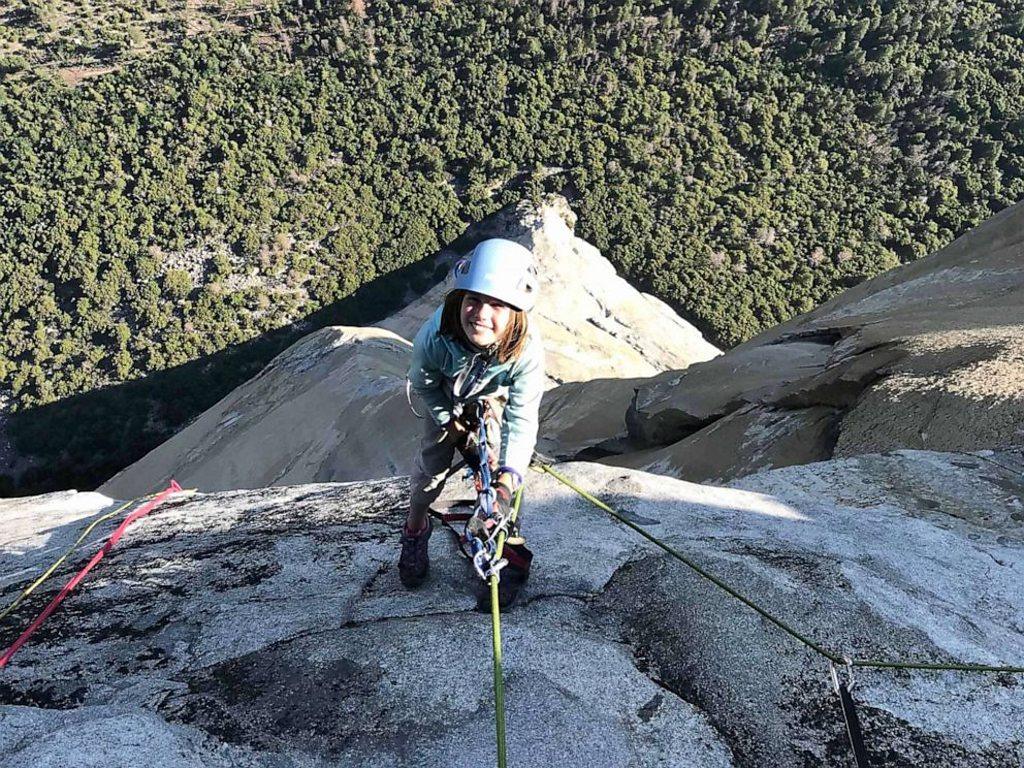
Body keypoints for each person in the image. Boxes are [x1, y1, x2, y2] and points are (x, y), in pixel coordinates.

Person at [400, 238, 545, 609]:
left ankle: (499, 544)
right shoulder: (435, 336)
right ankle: (416, 527)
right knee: (431, 469)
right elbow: (424, 385)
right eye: (474, 300)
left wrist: (508, 478)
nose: (481, 313)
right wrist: (450, 423)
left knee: (499, 477)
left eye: (496, 304)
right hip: (445, 395)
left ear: (516, 313)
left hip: (492, 397)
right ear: (459, 300)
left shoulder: (526, 352)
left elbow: (523, 416)